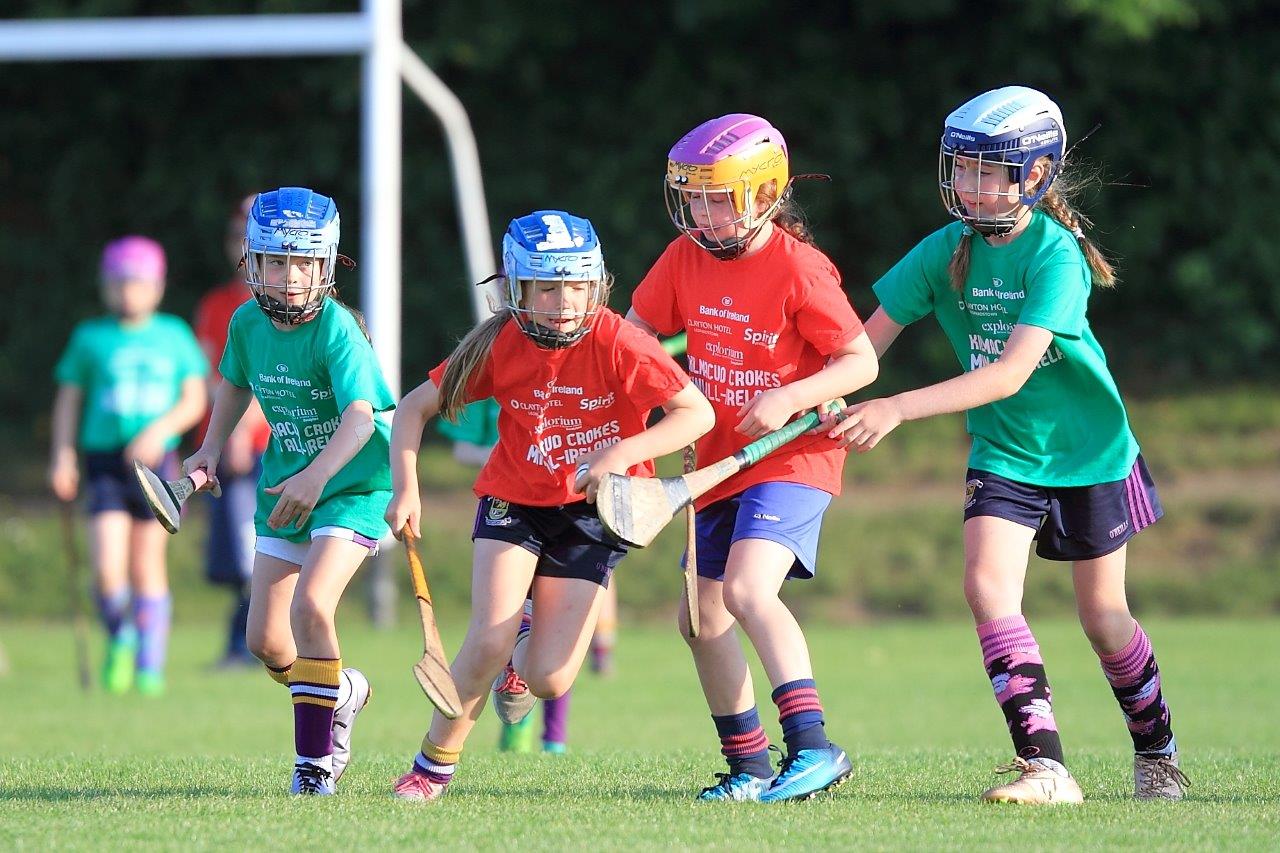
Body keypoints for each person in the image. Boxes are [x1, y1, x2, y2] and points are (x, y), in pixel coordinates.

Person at [824, 86, 1188, 804]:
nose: (967, 184)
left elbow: (1011, 372)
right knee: (987, 588)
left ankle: (1157, 751)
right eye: (961, 167)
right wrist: (819, 392)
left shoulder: (1056, 257)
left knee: (1104, 619)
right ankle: (1046, 767)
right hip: (1004, 452)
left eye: (986, 170)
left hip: (1087, 451)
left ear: (1036, 174)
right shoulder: (944, 250)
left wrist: (896, 407)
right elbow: (862, 348)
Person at [388, 210, 714, 802]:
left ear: (595, 286)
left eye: (575, 286)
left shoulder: (619, 341)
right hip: (514, 501)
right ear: (517, 288)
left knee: (549, 677)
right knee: (486, 639)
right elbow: (413, 410)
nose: (563, 301)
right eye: (545, 287)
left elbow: (697, 413)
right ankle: (432, 767)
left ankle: (527, 638)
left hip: (595, 513)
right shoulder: (498, 344)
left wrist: (621, 453)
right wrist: (405, 486)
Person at [627, 114, 879, 803]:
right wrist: (651, 394)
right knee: (701, 619)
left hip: (792, 456)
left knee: (745, 591)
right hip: (715, 461)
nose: (704, 215)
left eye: (719, 198)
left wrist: (793, 393)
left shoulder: (799, 267)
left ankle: (815, 747)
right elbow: (641, 330)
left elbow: (859, 359)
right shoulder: (684, 256)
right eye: (696, 199)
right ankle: (749, 765)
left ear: (765, 193)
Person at [182, 187, 389, 796]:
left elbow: (359, 418)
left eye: (304, 262)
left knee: (313, 609)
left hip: (351, 486)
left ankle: (314, 764)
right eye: (277, 261)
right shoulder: (246, 321)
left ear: (327, 265)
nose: (290, 276)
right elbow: (234, 385)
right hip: (285, 487)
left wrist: (317, 477)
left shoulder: (338, 331)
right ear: (253, 262)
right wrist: (211, 449)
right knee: (267, 643)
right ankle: (343, 691)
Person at [50, 236, 208, 696]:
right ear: (106, 286)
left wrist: (160, 430)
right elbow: (68, 400)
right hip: (104, 465)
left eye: (138, 283)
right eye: (119, 283)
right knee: (107, 567)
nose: (128, 292)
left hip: (156, 467)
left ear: (157, 287)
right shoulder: (90, 338)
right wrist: (62, 455)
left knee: (147, 565)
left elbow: (194, 399)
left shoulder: (174, 334)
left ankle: (148, 665)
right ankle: (119, 636)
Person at [193, 195, 272, 669]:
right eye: (236, 238)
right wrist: (220, 438)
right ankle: (241, 639)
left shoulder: (277, 310)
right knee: (234, 554)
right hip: (225, 448)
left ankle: (245, 644)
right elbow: (211, 375)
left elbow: (273, 383)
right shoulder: (216, 305)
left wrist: (244, 432)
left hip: (265, 449)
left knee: (258, 547)